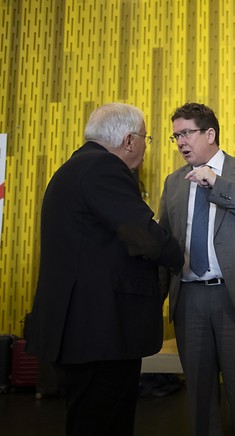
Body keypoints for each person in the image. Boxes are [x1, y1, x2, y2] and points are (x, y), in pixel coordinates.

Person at [26, 102, 184, 436]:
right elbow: (144, 238)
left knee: (87, 419)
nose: (145, 145)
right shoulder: (104, 169)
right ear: (129, 140)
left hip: (80, 331)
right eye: (146, 138)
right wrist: (182, 255)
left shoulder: (74, 168)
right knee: (105, 422)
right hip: (100, 332)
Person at [159, 102, 235, 435]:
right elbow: (165, 242)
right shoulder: (174, 182)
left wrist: (217, 183)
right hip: (189, 301)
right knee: (199, 397)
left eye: (187, 133)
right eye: (175, 135)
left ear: (210, 133)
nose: (180, 142)